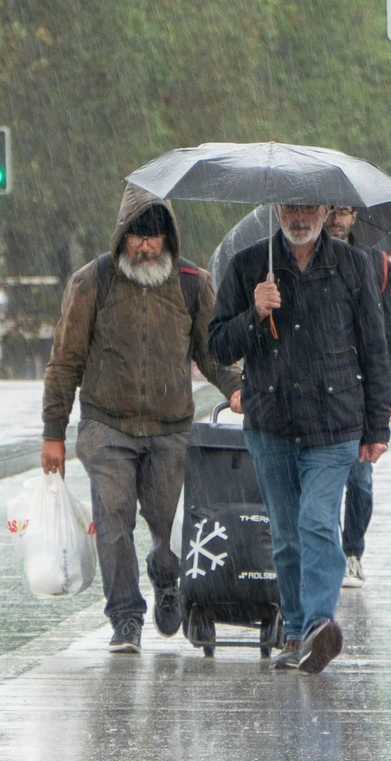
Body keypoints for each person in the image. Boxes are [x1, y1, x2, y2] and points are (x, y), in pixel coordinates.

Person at [40, 185, 242, 654]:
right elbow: (64, 362)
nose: (146, 246)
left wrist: (236, 388)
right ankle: (125, 616)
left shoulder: (193, 283)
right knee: (113, 519)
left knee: (168, 526)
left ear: (169, 237)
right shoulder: (93, 282)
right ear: (121, 236)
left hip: (171, 429)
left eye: (154, 236)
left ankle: (166, 579)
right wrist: (53, 432)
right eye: (137, 236)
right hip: (107, 427)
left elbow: (213, 352)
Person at [209, 203, 391, 675]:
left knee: (316, 522)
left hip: (335, 423)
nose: (299, 215)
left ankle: (317, 624)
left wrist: (377, 426)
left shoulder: (352, 265)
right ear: (276, 207)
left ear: (326, 209)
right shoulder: (249, 264)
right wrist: (254, 312)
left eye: (309, 205)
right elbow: (218, 345)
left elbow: (374, 346)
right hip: (270, 423)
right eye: (290, 205)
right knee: (287, 536)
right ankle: (295, 632)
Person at [324, 205, 391, 590]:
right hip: (318, 391)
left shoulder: (377, 265)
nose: (336, 220)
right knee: (321, 479)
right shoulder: (300, 262)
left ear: (355, 216)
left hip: (362, 391)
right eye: (330, 211)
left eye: (344, 212)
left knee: (359, 480)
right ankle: (326, 553)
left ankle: (351, 552)